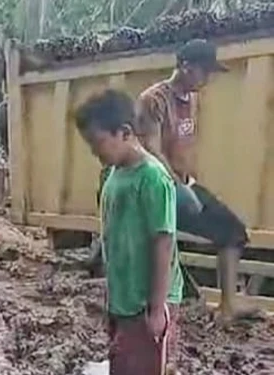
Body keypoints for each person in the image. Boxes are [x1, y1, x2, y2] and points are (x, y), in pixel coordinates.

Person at [136, 39, 254, 322]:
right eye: (205, 72)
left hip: (184, 183)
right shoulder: (153, 100)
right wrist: (177, 187)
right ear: (186, 67)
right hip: (159, 188)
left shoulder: (192, 98)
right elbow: (150, 149)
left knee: (233, 231)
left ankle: (228, 306)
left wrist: (188, 183)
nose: (207, 80)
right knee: (161, 244)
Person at [75, 89, 183, 375]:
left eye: (98, 142)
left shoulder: (153, 179)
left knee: (147, 367)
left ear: (124, 132)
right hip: (124, 299)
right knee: (123, 365)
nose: (94, 151)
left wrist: (158, 308)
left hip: (147, 302)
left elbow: (163, 242)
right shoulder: (114, 173)